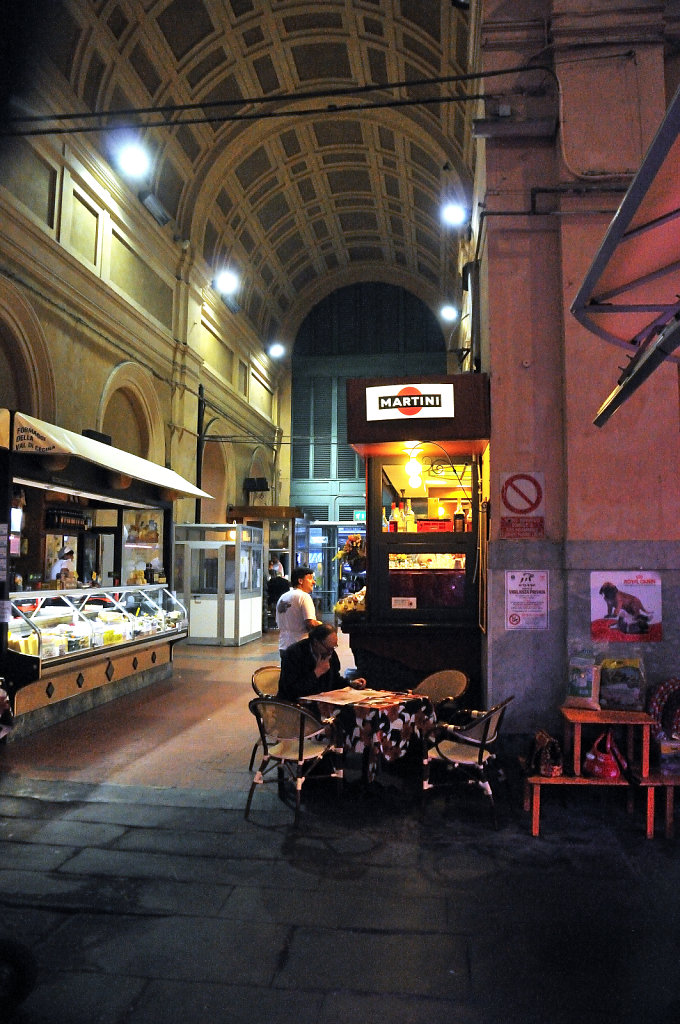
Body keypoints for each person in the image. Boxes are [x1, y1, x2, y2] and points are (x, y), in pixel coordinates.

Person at [278, 623, 366, 701]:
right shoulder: (293, 654)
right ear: (316, 643)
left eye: (334, 647)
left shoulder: (329, 653)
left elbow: (334, 680)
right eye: (328, 648)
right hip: (295, 705)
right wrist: (317, 672)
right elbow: (292, 690)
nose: (331, 652)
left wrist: (350, 683)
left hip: (322, 700)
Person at [275, 565, 322, 652]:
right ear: (300, 581)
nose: (313, 582)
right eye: (310, 578)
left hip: (283, 646)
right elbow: (310, 623)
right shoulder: (304, 596)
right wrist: (323, 626)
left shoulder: (283, 597)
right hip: (300, 646)